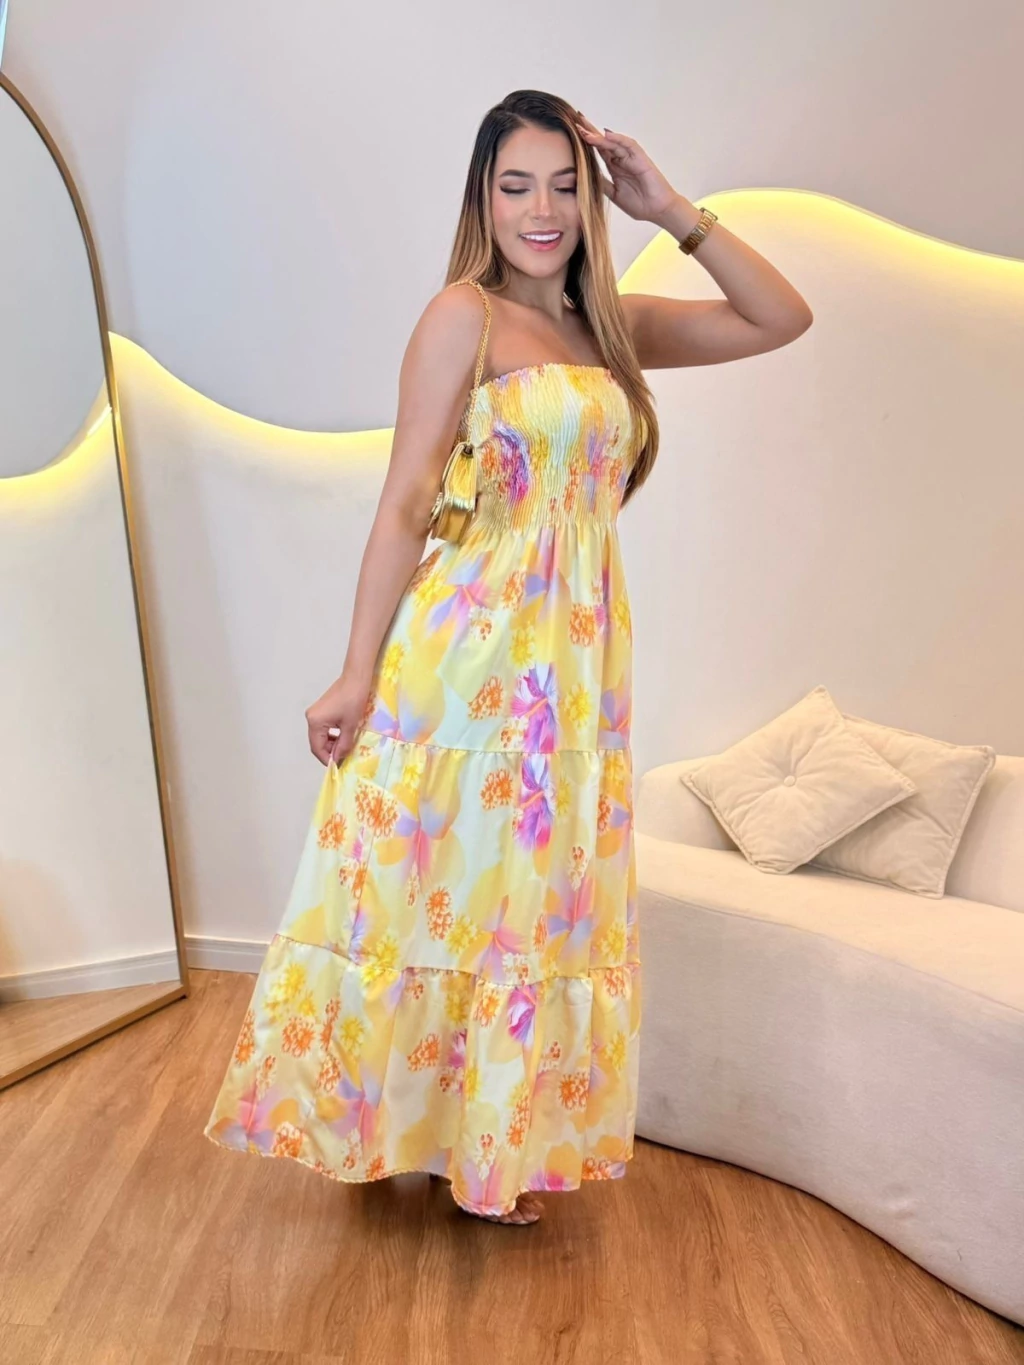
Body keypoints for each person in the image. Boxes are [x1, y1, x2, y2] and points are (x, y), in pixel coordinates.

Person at [203, 89, 813, 1226]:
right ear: (482, 198)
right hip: (466, 657)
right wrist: (355, 671)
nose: (542, 210)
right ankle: (392, 1130)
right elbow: (404, 505)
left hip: (573, 672)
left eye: (565, 185)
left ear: (593, 199)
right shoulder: (462, 318)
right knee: (438, 896)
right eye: (516, 184)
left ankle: (485, 1146)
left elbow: (782, 316)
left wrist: (670, 207)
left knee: (527, 907)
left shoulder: (613, 330)